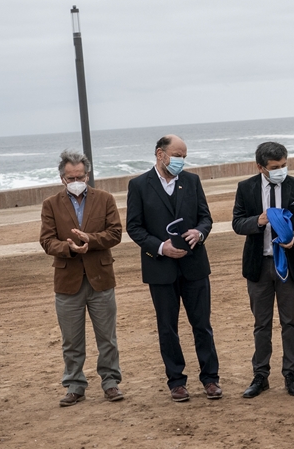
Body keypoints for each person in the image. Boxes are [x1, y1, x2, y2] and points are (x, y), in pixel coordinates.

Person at [125, 135, 220, 402]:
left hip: (194, 266)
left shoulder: (192, 181)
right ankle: (176, 382)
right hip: (160, 268)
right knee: (167, 327)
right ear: (160, 154)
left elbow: (206, 218)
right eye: (177, 155)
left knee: (202, 325)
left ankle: (210, 379)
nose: (181, 161)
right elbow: (134, 227)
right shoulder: (139, 185)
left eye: (184, 157)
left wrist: (199, 233)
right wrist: (160, 247)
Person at [231, 142, 294, 398]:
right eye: (274, 167)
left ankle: (291, 374)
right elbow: (237, 223)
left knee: (290, 321)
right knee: (262, 324)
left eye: (283, 165)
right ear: (260, 167)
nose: (281, 170)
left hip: (288, 265)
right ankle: (260, 376)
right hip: (259, 267)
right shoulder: (245, 188)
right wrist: (258, 221)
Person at [40, 150, 125, 406]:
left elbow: (116, 233)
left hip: (100, 278)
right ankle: (74, 384)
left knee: (107, 337)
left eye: (80, 175)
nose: (76, 180)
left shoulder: (105, 199)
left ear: (87, 175)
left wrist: (91, 240)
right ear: (62, 178)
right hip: (68, 282)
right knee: (71, 339)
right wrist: (69, 248)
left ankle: (111, 382)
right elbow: (46, 240)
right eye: (70, 176)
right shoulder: (51, 204)